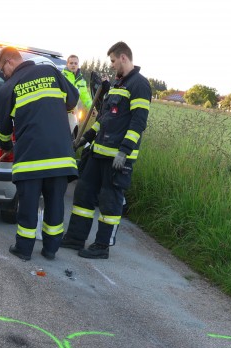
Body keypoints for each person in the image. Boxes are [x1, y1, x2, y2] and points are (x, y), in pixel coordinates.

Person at [60, 41, 151, 259]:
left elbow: (138, 122)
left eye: (112, 61)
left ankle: (102, 246)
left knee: (110, 202)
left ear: (123, 58)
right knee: (83, 193)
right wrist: (85, 139)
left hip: (116, 158)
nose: (111, 66)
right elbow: (105, 119)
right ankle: (75, 238)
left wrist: (124, 151)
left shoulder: (140, 85)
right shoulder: (118, 84)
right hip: (98, 153)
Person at [0, 47, 79, 261]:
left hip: (30, 159)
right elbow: (73, 99)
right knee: (55, 204)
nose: (3, 74)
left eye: (2, 69)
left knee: (28, 206)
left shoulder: (8, 88)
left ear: (9, 62)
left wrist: (6, 147)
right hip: (60, 156)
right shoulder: (51, 71)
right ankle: (51, 249)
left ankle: (23, 249)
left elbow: (2, 130)